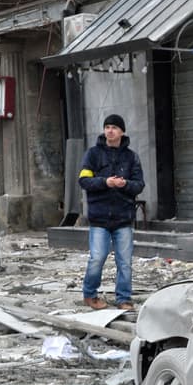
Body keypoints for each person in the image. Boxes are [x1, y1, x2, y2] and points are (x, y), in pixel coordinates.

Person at [79, 114, 144, 310]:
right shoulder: (93, 154)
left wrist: (124, 185)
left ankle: (123, 298)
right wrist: (105, 182)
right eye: (107, 127)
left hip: (123, 218)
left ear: (122, 132)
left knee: (124, 262)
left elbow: (139, 185)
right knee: (97, 258)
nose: (110, 130)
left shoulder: (132, 157)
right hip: (99, 218)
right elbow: (83, 181)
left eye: (114, 127)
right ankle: (90, 295)